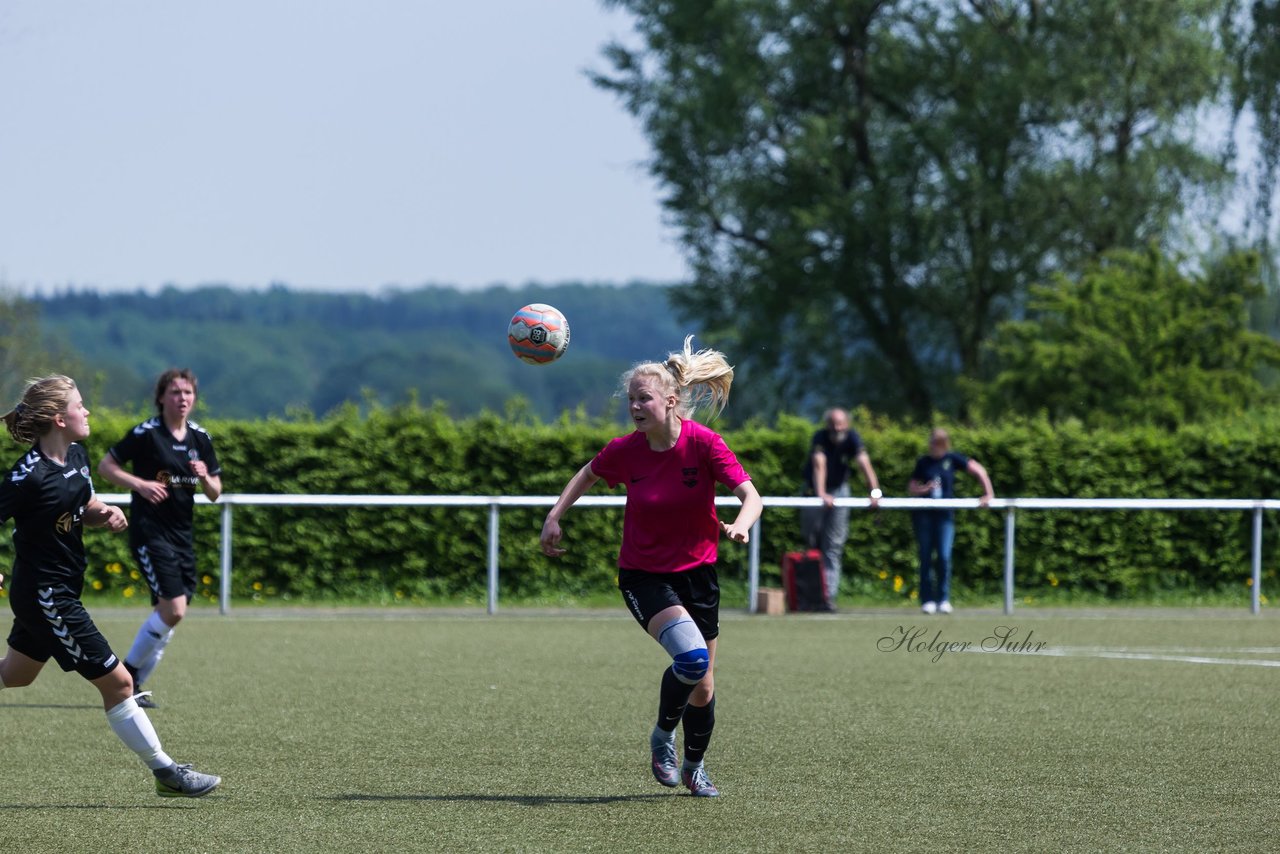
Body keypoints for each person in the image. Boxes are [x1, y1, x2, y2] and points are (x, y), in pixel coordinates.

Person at [540, 336, 762, 799]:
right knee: (692, 659)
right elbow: (587, 473)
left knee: (703, 687)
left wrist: (741, 525)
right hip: (644, 575)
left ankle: (694, 766)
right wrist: (555, 515)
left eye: (644, 398)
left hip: (698, 575)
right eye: (631, 400)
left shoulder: (704, 444)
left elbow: (751, 495)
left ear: (671, 401)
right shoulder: (626, 450)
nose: (635, 407)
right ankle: (662, 737)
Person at [0, 375, 221, 797]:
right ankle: (168, 773)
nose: (87, 412)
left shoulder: (78, 455)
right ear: (58, 419)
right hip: (47, 595)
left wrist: (102, 513)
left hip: (57, 590)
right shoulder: (28, 475)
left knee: (16, 674)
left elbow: (80, 502)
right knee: (119, 683)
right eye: (79, 406)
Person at [97, 368, 222, 709]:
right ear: (162, 397)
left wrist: (205, 478)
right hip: (150, 533)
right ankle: (128, 675)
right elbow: (106, 466)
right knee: (174, 609)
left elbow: (215, 492)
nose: (182, 399)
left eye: (188, 393)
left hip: (183, 536)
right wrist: (140, 483)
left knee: (167, 615)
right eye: (175, 392)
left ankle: (132, 685)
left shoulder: (200, 438)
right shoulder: (147, 433)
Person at [800, 408, 881, 610]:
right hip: (814, 492)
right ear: (828, 425)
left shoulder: (853, 437)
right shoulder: (820, 437)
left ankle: (828, 598)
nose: (837, 428)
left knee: (833, 546)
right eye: (834, 424)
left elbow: (864, 462)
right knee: (810, 542)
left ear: (847, 424)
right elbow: (819, 463)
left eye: (841, 423)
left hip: (839, 491)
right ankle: (807, 596)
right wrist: (821, 494)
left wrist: (875, 492)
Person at [907, 428, 995, 614]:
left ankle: (943, 598)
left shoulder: (952, 459)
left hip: (945, 515)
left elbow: (979, 470)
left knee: (944, 556)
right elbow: (912, 487)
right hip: (925, 515)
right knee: (925, 557)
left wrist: (988, 494)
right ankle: (927, 599)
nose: (935, 447)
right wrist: (925, 489)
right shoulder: (923, 462)